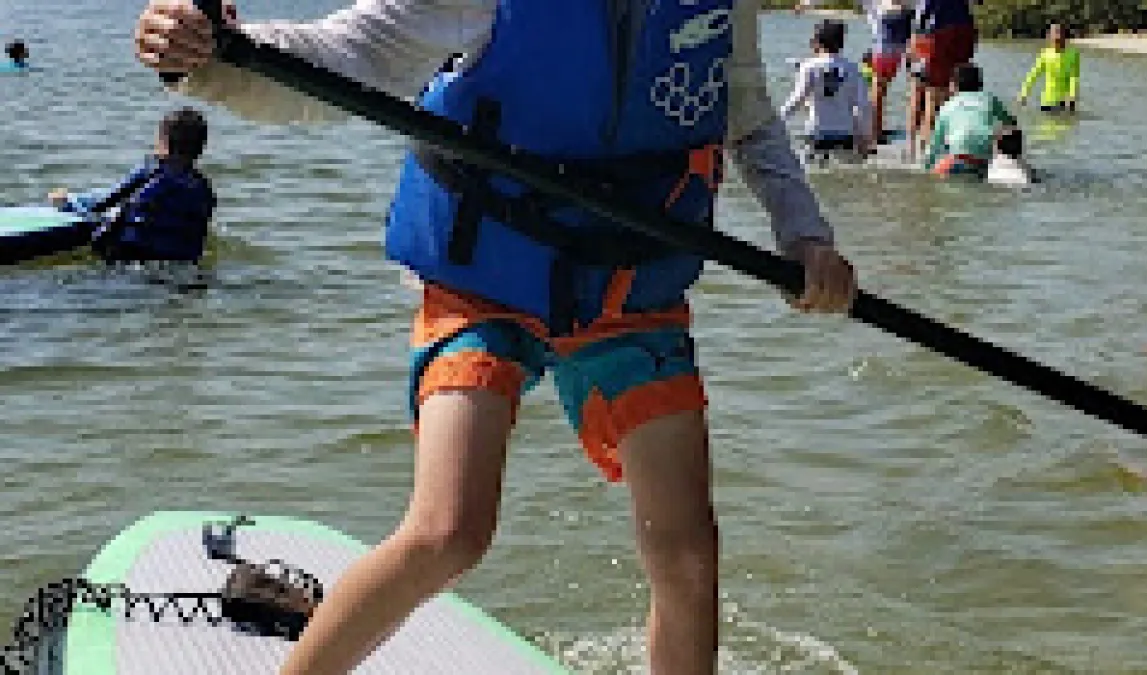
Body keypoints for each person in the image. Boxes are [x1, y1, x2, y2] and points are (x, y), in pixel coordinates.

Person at [133, 2, 857, 674]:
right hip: (484, 279)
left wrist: (805, 237)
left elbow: (752, 120)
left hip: (631, 290)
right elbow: (354, 53)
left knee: (689, 557)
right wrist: (216, 59)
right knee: (449, 531)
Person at [48, 108, 217, 263]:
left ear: (163, 144)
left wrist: (69, 202)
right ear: (200, 149)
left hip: (132, 255)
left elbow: (104, 202)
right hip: (181, 259)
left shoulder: (151, 171)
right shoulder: (204, 188)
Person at [781, 20, 873, 160]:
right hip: (845, 134)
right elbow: (863, 106)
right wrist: (864, 137)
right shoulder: (853, 69)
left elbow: (797, 100)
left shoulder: (809, 66)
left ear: (818, 42)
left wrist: (774, 122)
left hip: (817, 132)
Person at [924, 62, 1022, 180]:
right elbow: (1011, 123)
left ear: (954, 86)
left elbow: (935, 143)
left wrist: (927, 165)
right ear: (980, 84)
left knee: (935, 174)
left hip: (955, 161)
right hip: (983, 161)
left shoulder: (947, 106)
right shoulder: (990, 99)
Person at [907, 0, 978, 160]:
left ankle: (919, 152)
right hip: (964, 29)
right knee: (954, 93)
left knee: (927, 94)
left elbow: (923, 10)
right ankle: (949, 147)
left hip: (936, 30)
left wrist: (914, 38)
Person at [860, 0, 914, 146]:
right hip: (890, 44)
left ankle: (876, 132)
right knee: (880, 88)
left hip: (904, 43)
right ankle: (875, 131)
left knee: (914, 87)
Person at [1018, 24, 1081, 113]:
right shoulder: (1045, 54)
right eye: (1054, 34)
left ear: (1064, 36)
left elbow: (1074, 77)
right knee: (1047, 126)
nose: (1057, 37)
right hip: (1047, 101)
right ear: (1049, 37)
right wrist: (1023, 93)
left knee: (1065, 126)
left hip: (1066, 101)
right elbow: (1033, 75)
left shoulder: (1073, 54)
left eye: (1059, 33)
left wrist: (1072, 96)